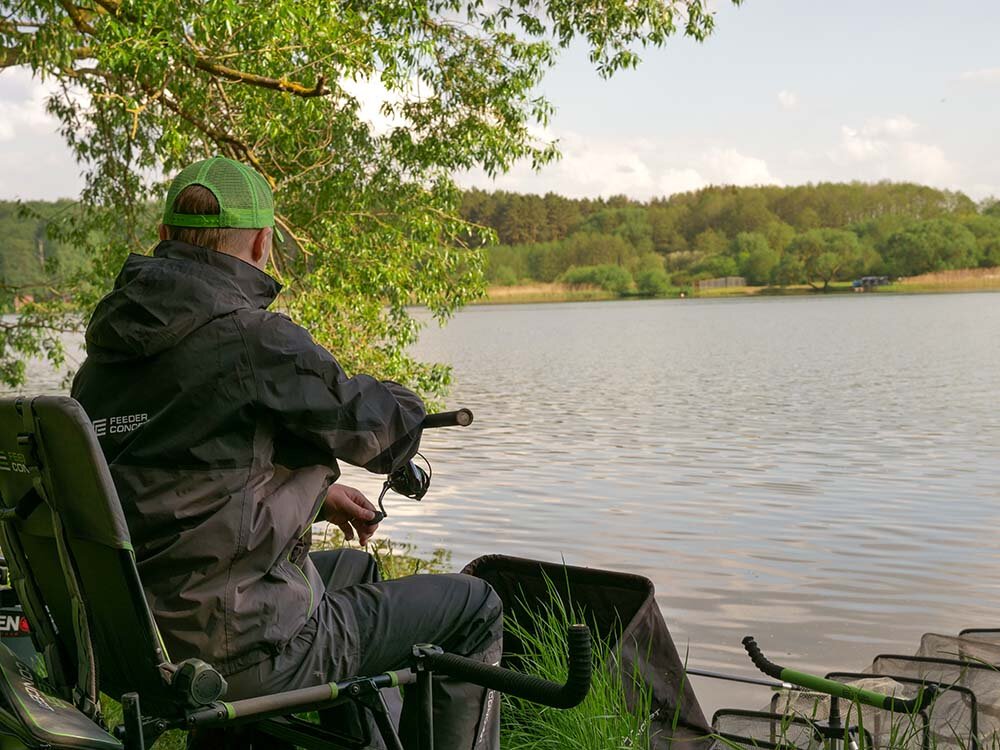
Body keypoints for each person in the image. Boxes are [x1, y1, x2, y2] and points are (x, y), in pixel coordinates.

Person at [71, 156, 502, 749]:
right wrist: (404, 398)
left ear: (165, 237)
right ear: (260, 244)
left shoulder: (102, 362)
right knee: (476, 606)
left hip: (132, 644)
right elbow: (374, 431)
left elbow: (178, 484)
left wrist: (318, 499)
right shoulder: (253, 339)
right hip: (232, 648)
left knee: (357, 569)